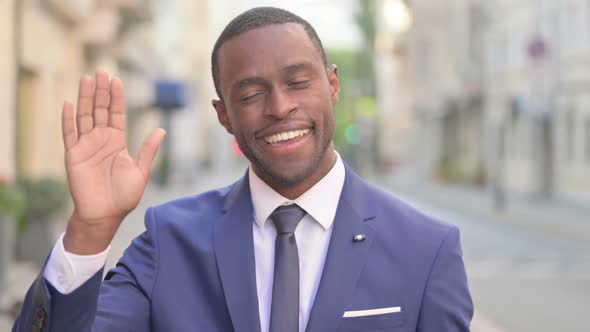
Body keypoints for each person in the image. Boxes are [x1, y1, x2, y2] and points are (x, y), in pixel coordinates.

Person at [13, 7, 473, 332]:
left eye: (297, 81)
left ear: (332, 85)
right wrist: (90, 231)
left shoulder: (427, 250)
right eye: (251, 94)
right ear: (224, 115)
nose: (279, 107)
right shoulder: (168, 242)